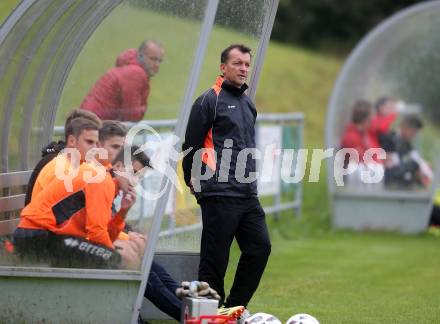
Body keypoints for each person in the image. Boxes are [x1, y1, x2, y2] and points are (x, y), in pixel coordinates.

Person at [182, 44, 271, 315]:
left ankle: (232, 309)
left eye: (246, 64)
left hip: (246, 194)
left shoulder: (248, 103)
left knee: (260, 248)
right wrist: (196, 184)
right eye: (237, 63)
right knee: (215, 262)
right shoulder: (209, 100)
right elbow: (191, 147)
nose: (243, 68)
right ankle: (207, 316)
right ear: (223, 67)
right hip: (218, 192)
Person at [80, 40, 164, 121]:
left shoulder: (130, 68)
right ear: (140, 56)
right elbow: (132, 115)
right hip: (93, 124)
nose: (157, 65)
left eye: (160, 61)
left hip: (90, 120)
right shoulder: (135, 73)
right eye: (153, 59)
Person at [382, 114, 432, 188]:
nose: (414, 135)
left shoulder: (407, 144)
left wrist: (424, 168)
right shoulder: (388, 139)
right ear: (404, 127)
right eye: (413, 131)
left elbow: (417, 159)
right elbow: (391, 167)